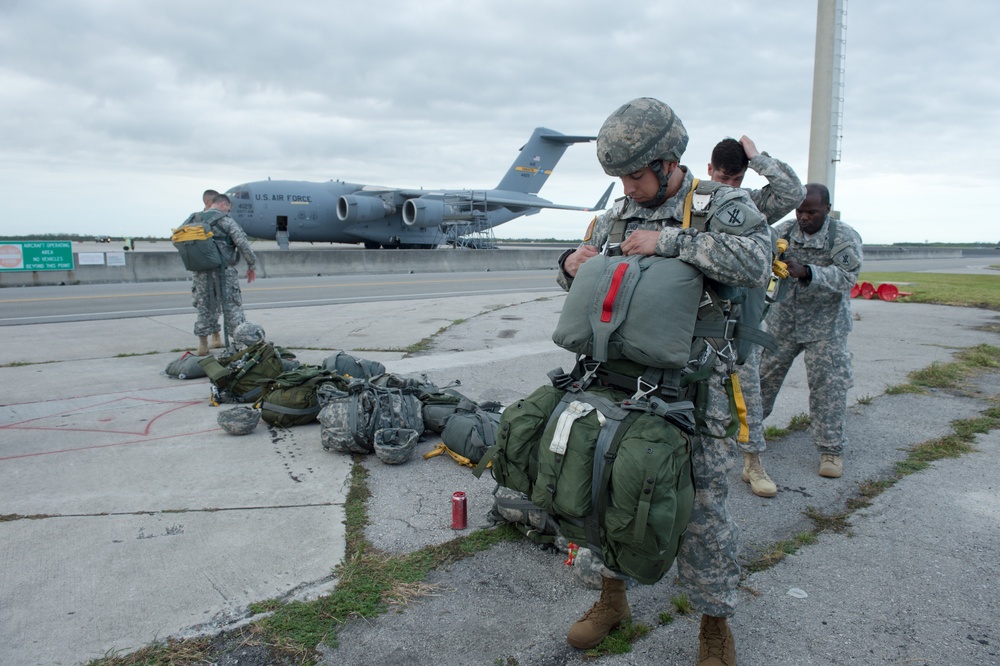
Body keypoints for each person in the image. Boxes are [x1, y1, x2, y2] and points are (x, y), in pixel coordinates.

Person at [557, 98, 772, 666]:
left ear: (669, 161)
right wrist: (570, 266)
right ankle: (612, 599)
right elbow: (589, 286)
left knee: (701, 511)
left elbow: (756, 262)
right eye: (619, 178)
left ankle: (714, 626)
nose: (627, 188)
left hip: (695, 392)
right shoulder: (617, 214)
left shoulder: (718, 205)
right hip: (620, 382)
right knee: (605, 492)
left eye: (634, 175)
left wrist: (669, 242)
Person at [708, 136, 806, 497]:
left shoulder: (750, 205)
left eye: (737, 179)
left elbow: (793, 192)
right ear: (709, 170)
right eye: (723, 178)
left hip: (743, 318)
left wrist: (758, 157)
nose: (730, 187)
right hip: (699, 316)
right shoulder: (696, 203)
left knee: (749, 393)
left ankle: (753, 462)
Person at [758, 183, 863, 479]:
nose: (804, 217)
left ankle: (830, 450)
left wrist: (808, 271)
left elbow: (847, 278)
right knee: (761, 380)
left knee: (828, 387)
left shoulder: (843, 237)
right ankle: (746, 439)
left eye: (811, 211)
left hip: (825, 326)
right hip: (783, 323)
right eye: (800, 210)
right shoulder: (784, 231)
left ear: (827, 209)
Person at [191, 193, 257, 355]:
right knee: (232, 307)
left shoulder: (193, 219)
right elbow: (243, 244)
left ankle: (203, 344)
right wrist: (252, 265)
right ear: (222, 205)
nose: (228, 211)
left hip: (200, 272)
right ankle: (237, 342)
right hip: (223, 272)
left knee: (204, 306)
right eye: (228, 208)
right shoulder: (225, 220)